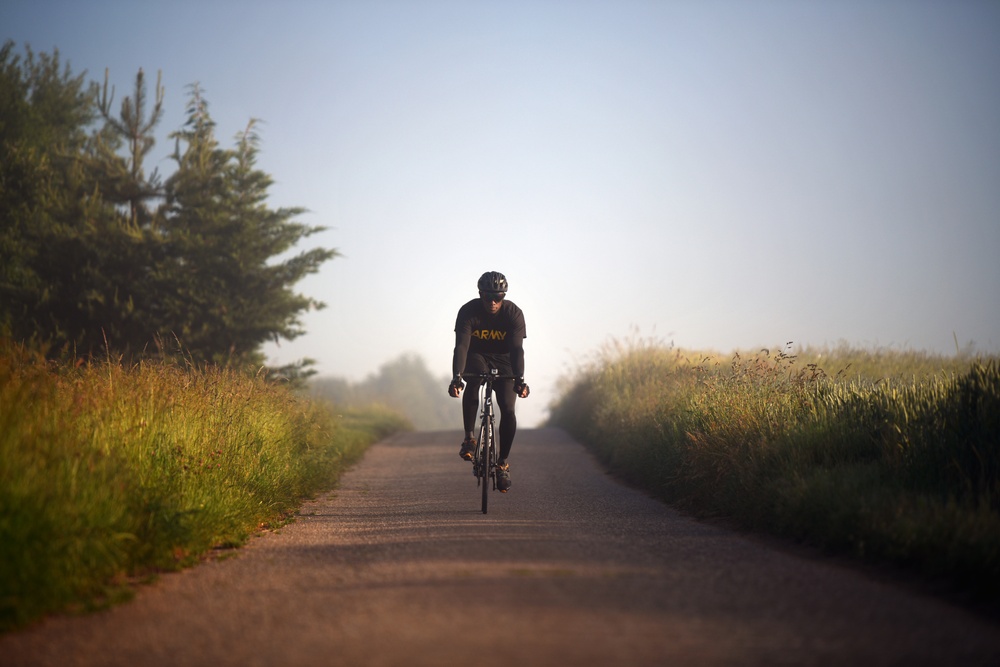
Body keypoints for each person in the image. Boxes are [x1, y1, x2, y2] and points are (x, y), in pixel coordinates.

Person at [448, 271, 529, 492]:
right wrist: (456, 377)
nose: (493, 302)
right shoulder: (468, 311)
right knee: (473, 381)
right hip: (477, 355)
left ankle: (503, 463)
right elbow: (461, 347)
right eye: (488, 297)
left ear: (504, 296)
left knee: (508, 409)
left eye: (498, 297)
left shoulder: (513, 313)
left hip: (505, 359)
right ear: (480, 294)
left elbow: (516, 350)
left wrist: (520, 380)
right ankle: (469, 438)